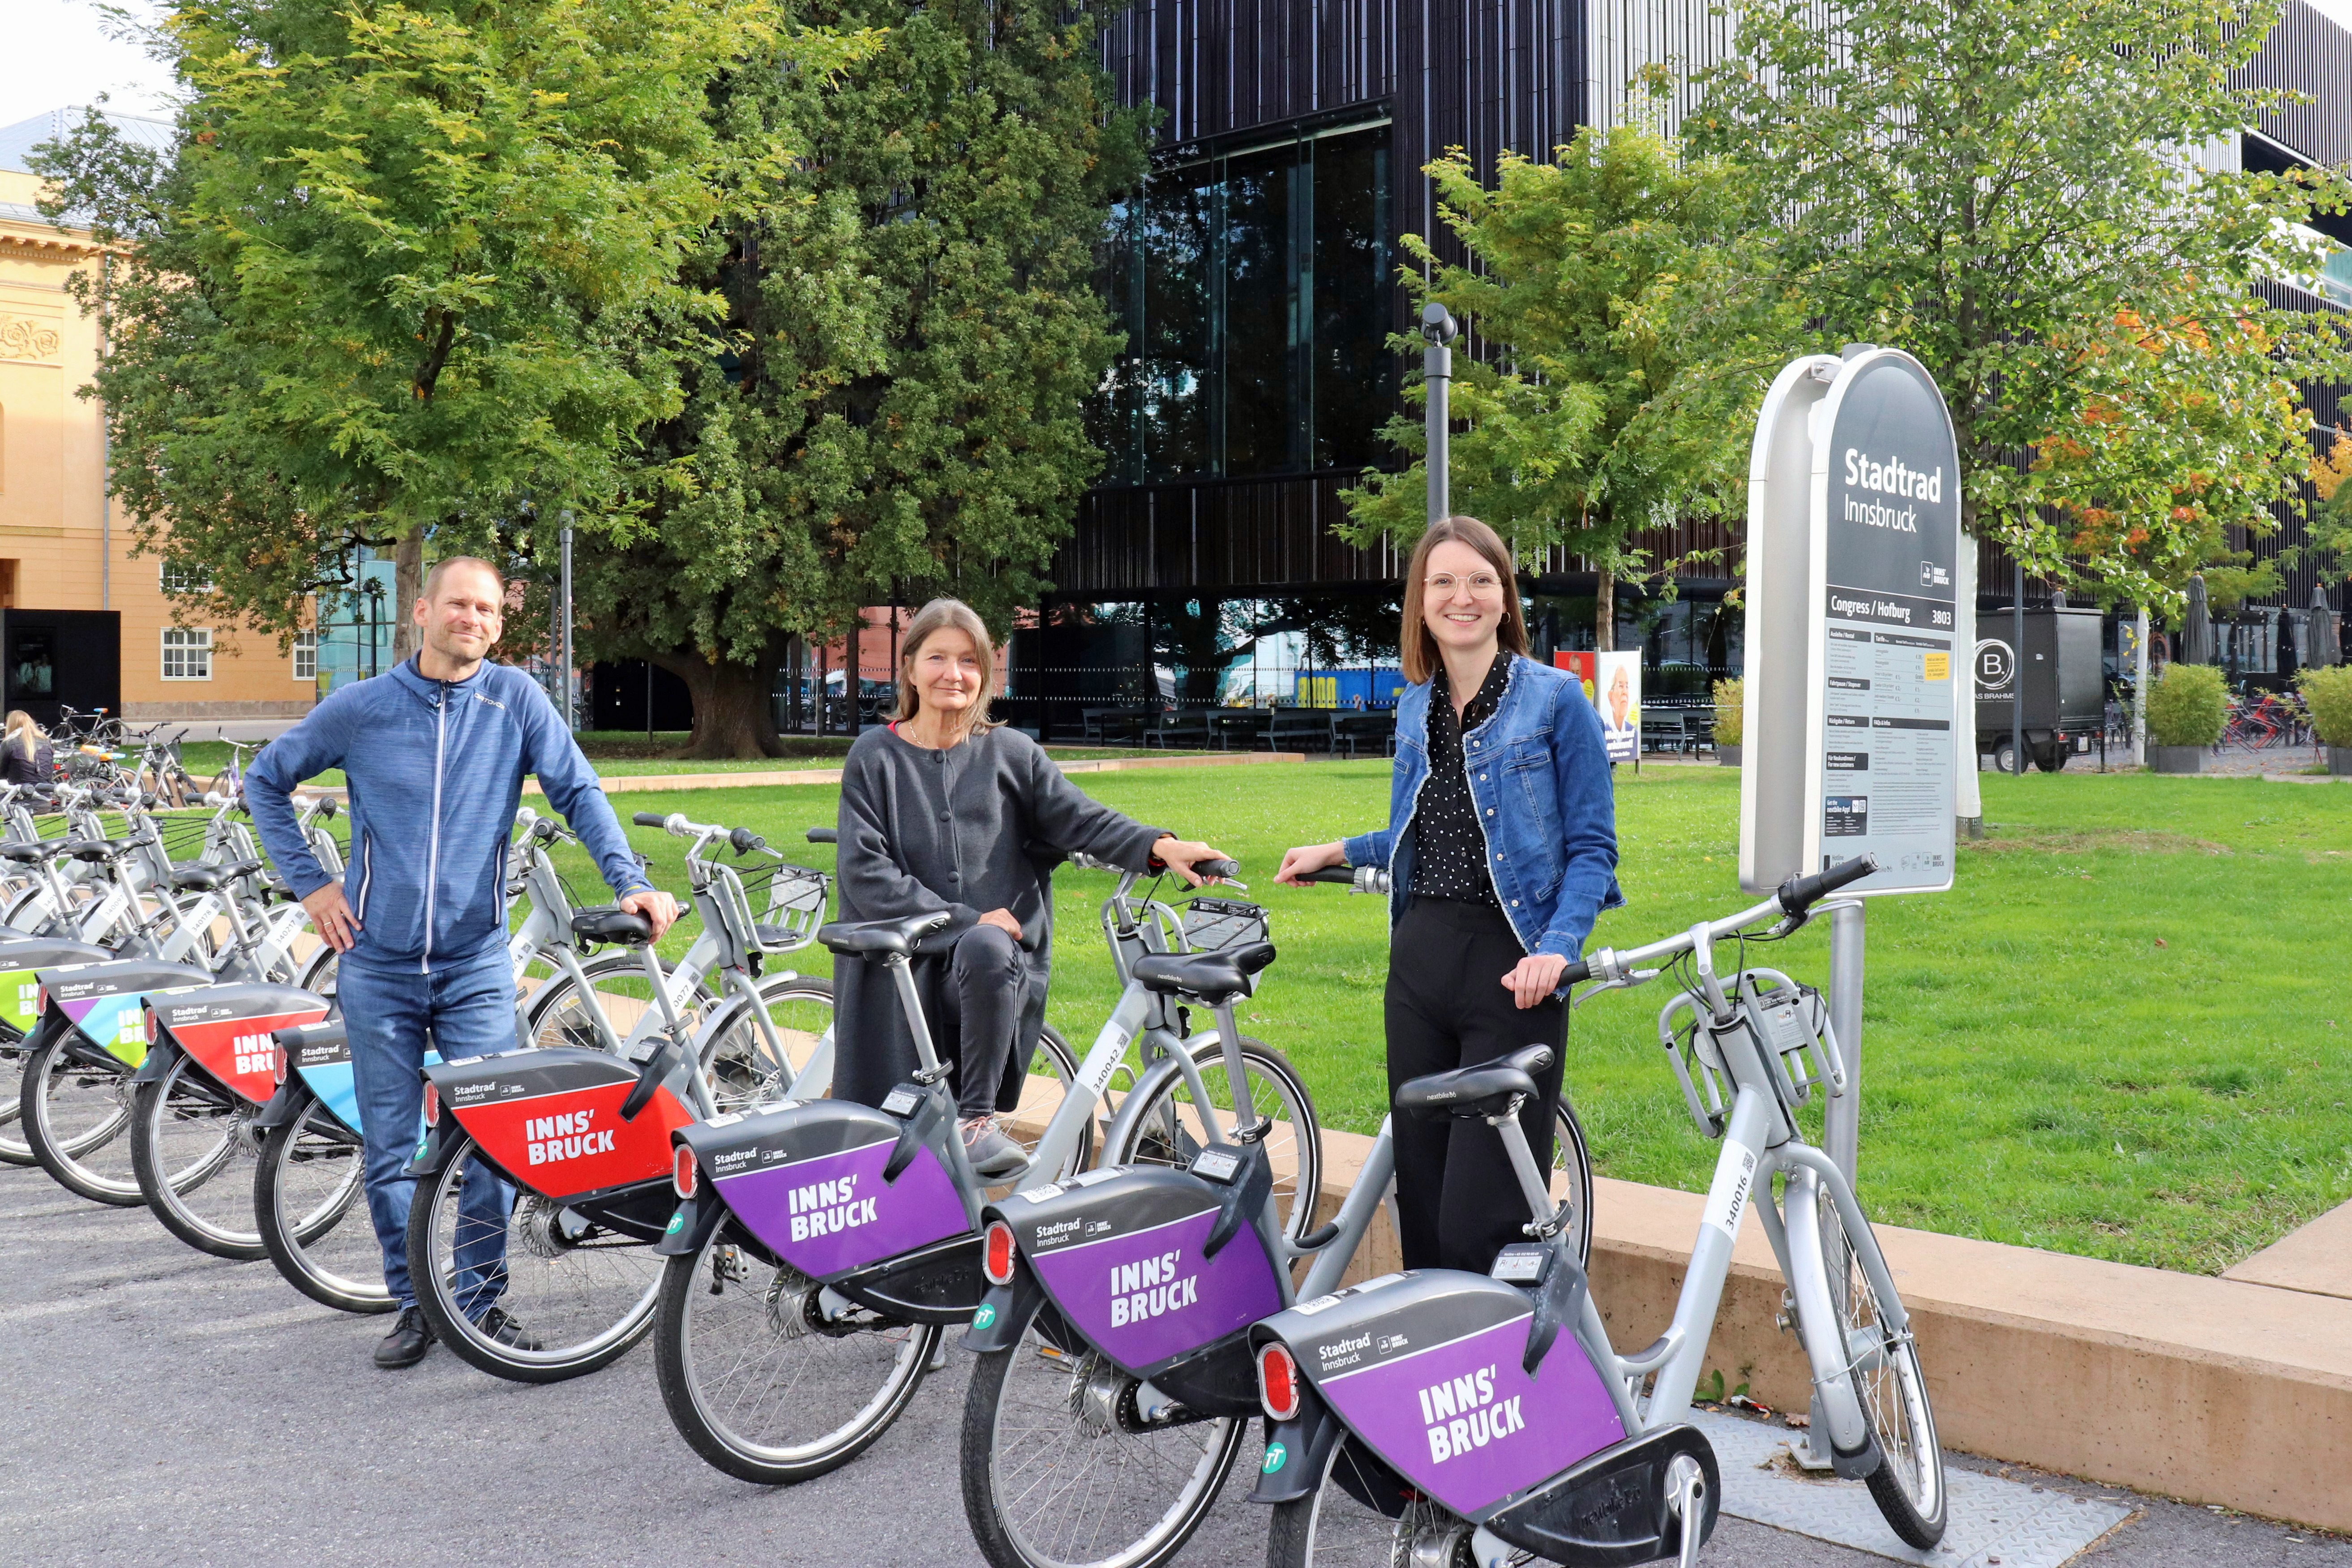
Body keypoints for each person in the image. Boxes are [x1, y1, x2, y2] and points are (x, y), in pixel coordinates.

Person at [245, 557, 678, 1369]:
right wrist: (311, 884)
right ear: (423, 611)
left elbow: (577, 791)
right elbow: (265, 781)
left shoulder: (516, 700)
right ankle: (415, 1305)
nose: (470, 618)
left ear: (498, 624)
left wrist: (630, 883)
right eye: (457, 604)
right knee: (390, 1143)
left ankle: (476, 1301)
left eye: (485, 608)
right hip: (375, 960)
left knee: (493, 1138)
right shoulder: (364, 708)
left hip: (476, 960)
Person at [1278, 515, 1619, 1274]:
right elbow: (1420, 827)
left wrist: (1557, 949)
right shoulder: (1412, 706)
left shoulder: (1557, 701)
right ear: (1420, 601)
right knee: (1424, 1208)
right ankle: (1428, 1385)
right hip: (1420, 967)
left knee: (1480, 1216)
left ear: (1504, 599)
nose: (1460, 596)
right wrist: (1336, 849)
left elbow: (1592, 850)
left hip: (1513, 973)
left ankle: (1497, 1377)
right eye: (1442, 581)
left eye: (1479, 580)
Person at [833, 597, 1232, 1174]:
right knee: (981, 939)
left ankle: (977, 1122)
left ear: (985, 674)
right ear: (911, 667)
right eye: (938, 657)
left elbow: (1082, 818)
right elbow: (866, 874)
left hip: (989, 972)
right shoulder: (874, 756)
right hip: (904, 973)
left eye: (969, 661)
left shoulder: (1011, 753)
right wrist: (965, 919)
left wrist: (1160, 846)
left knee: (991, 946)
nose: (954, 674)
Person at [1, 711, 52, 787]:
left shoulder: (9, 743)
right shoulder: (46, 742)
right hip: (44, 792)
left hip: (18, 793)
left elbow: (1, 771)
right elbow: (50, 772)